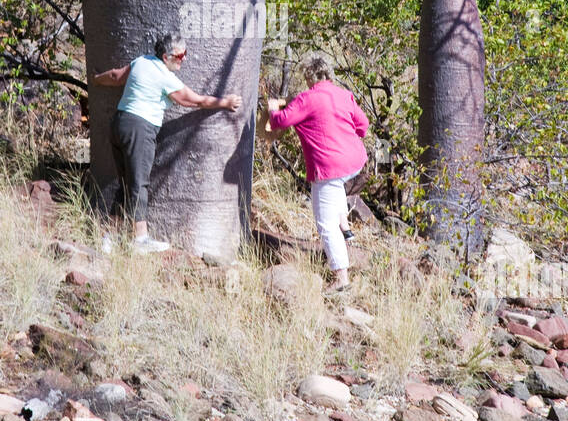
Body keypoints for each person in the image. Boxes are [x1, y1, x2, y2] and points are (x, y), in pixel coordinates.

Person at [92, 32, 242, 252]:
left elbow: (115, 76)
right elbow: (194, 101)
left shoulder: (141, 62)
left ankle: (110, 238)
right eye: (180, 56)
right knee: (139, 183)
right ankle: (140, 239)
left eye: (184, 54)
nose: (183, 59)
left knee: (126, 182)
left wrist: (96, 79)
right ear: (165, 56)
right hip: (140, 130)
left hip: (119, 124)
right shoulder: (165, 77)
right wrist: (225, 102)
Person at [267, 55, 368, 292]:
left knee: (325, 223)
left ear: (309, 76)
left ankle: (341, 278)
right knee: (337, 193)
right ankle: (347, 229)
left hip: (329, 167)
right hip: (355, 161)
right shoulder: (344, 95)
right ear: (329, 74)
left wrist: (273, 108)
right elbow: (363, 126)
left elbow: (281, 121)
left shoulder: (307, 98)